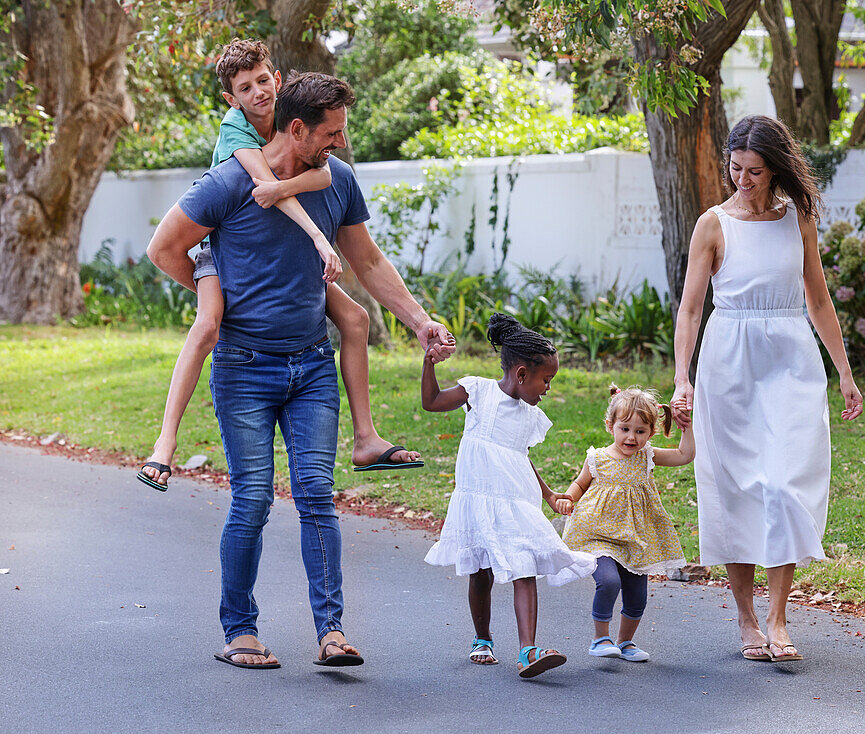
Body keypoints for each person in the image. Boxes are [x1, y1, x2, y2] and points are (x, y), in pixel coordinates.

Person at [146, 71, 454, 669]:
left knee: (317, 495)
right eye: (330, 133)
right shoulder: (231, 181)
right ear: (295, 128)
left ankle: (331, 632)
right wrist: (219, 295)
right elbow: (165, 248)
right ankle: (239, 630)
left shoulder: (336, 181)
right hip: (243, 369)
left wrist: (419, 321)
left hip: (312, 366)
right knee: (253, 499)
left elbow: (366, 258)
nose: (339, 144)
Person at [137, 39, 420, 494]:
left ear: (278, 79)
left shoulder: (294, 130)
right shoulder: (236, 132)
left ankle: (366, 437)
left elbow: (325, 177)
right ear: (231, 99)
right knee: (208, 325)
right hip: (221, 256)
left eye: (264, 80)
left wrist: (420, 321)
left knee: (355, 316)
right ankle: (164, 443)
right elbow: (267, 185)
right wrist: (227, 289)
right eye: (245, 88)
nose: (258, 93)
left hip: (289, 269)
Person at [670, 115, 863, 663]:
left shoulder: (797, 218)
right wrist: (682, 378)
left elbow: (819, 301)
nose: (744, 180)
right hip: (729, 359)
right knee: (734, 489)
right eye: (736, 169)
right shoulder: (712, 224)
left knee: (785, 484)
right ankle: (748, 619)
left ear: (776, 169)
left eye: (755, 171)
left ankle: (779, 619)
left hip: (790, 357)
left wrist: (844, 371)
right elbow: (689, 309)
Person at [421, 313, 596, 678]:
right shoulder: (477, 392)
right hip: (478, 496)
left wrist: (548, 493)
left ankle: (528, 650)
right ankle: (482, 638)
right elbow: (432, 401)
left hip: (516, 500)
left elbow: (521, 455)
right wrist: (429, 364)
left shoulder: (530, 415)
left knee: (525, 566)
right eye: (546, 380)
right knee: (481, 570)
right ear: (521, 375)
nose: (547, 388)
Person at [556, 385, 694, 663]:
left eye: (640, 431)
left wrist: (686, 428)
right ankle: (600, 639)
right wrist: (568, 498)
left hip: (636, 537)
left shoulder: (648, 456)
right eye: (625, 429)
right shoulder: (598, 458)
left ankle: (626, 642)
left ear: (650, 432)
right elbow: (580, 483)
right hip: (597, 534)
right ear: (611, 426)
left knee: (637, 595)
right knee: (608, 582)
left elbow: (685, 455)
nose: (632, 437)